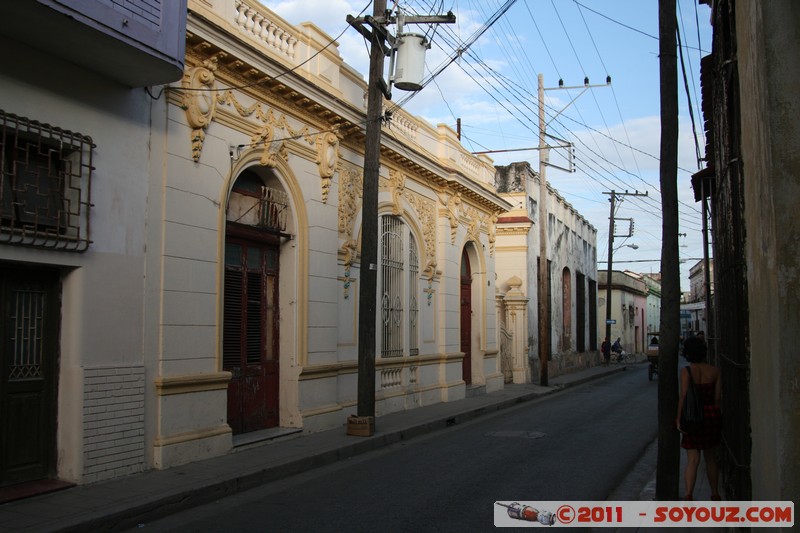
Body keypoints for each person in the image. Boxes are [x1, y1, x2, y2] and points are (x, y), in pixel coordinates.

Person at [676, 336, 722, 500]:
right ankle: (715, 493)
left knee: (693, 459)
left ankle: (689, 494)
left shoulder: (686, 372)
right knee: (710, 458)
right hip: (710, 417)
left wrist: (678, 419)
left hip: (693, 418)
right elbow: (717, 399)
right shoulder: (715, 371)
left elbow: (683, 397)